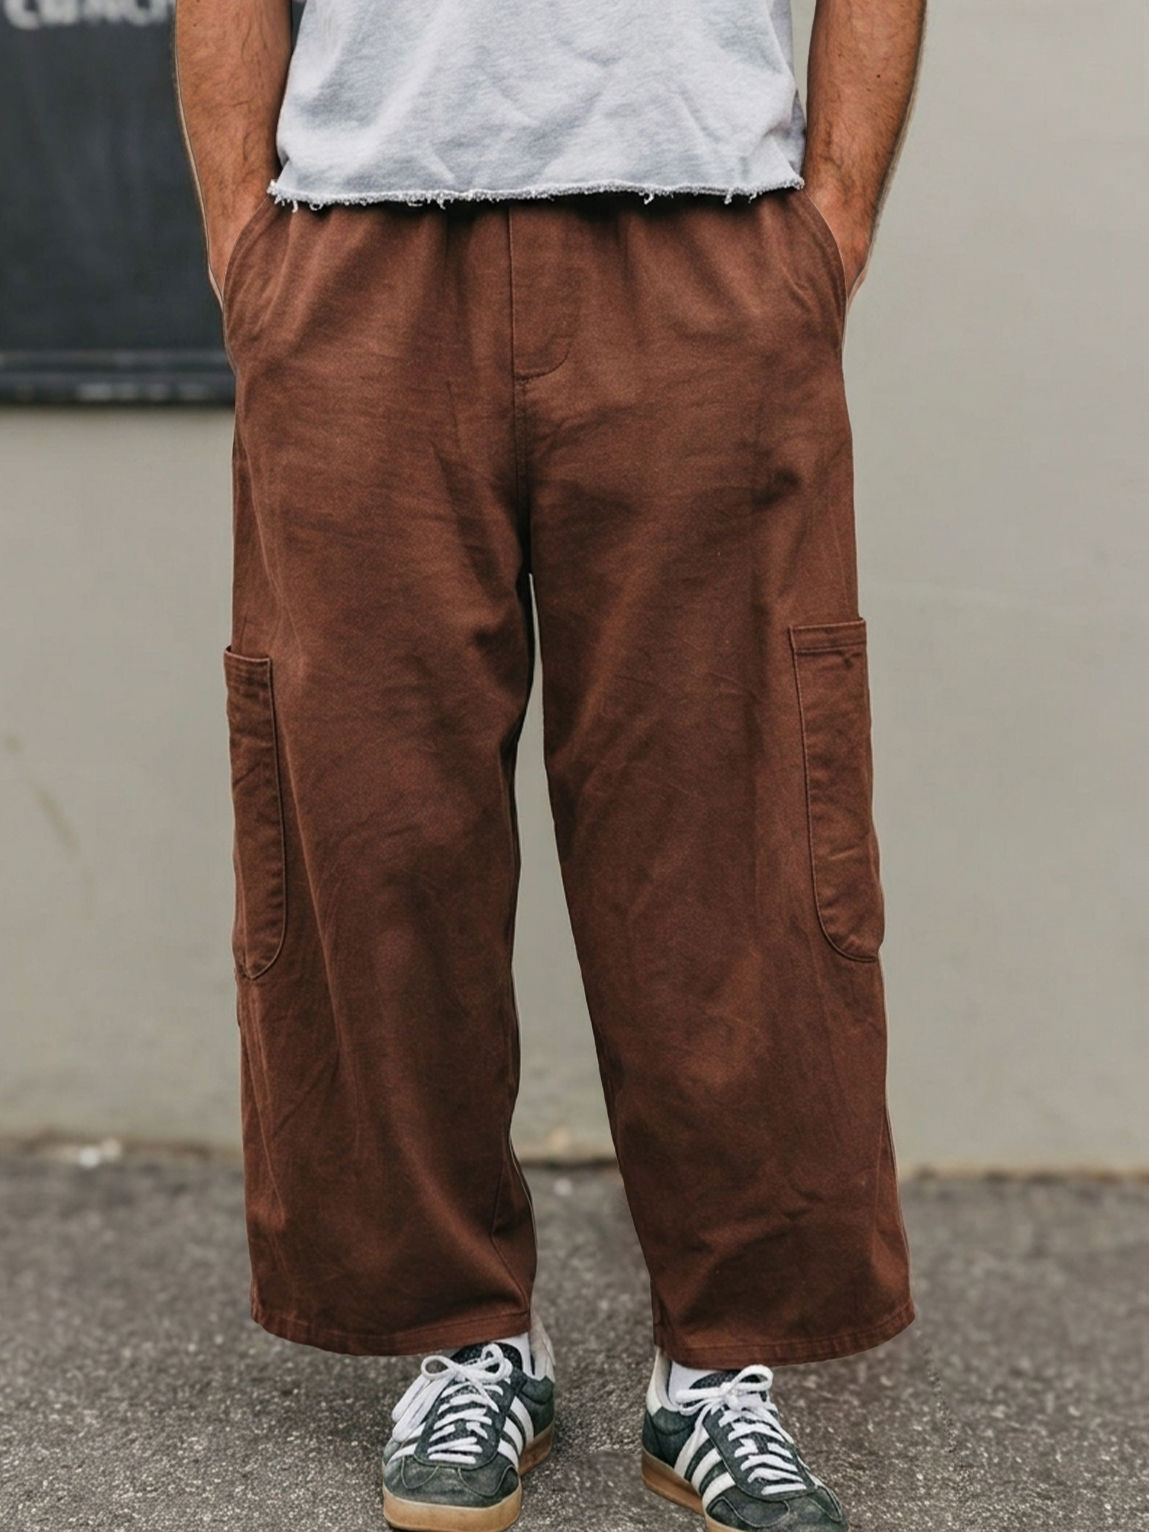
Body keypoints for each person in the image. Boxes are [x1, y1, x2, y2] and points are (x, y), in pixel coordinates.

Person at [175, 1, 926, 1527]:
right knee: (375, 826)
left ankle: (719, 1366)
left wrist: (829, 220)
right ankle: (462, 1339)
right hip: (362, 246)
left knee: (729, 822)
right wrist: (251, 248)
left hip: (701, 234)